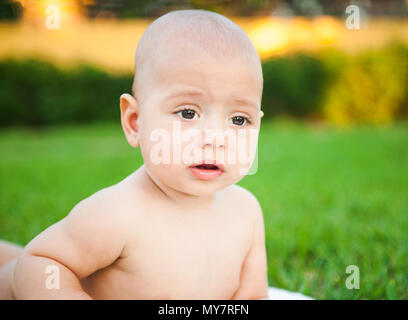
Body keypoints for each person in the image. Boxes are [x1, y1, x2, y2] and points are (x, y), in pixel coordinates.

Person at [0, 9, 310, 300]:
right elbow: (40, 263)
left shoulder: (246, 213)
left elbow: (252, 297)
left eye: (239, 119)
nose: (216, 139)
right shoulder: (116, 213)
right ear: (135, 122)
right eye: (188, 113)